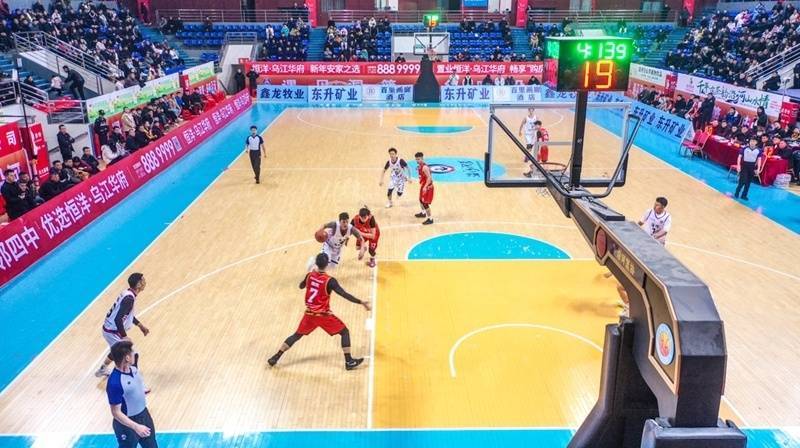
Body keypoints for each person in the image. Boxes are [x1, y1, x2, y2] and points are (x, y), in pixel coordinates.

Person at [267, 252, 371, 370]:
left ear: (316, 263)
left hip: (309, 314)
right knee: (344, 332)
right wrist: (361, 302)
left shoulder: (309, 275)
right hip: (323, 315)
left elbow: (301, 286)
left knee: (296, 335)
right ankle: (349, 361)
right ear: (327, 264)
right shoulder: (330, 281)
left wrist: (310, 274)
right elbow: (344, 294)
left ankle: (276, 357)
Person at [95, 273, 151, 377]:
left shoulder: (128, 293)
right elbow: (118, 319)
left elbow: (128, 315)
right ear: (138, 284)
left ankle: (102, 369)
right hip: (112, 331)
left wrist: (140, 326)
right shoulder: (129, 299)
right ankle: (132, 378)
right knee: (132, 354)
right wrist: (124, 336)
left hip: (110, 329)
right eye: (142, 280)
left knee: (117, 350)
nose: (145, 282)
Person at [106, 340, 158, 448]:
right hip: (126, 424)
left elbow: (134, 387)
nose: (134, 354)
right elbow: (116, 412)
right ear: (127, 358)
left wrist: (140, 392)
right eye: (132, 352)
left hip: (144, 415)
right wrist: (136, 427)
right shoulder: (115, 382)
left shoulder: (133, 369)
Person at [414, 152, 434, 225]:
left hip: (428, 187)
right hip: (424, 185)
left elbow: (429, 178)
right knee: (420, 200)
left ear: (422, 158)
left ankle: (430, 219)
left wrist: (425, 187)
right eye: (416, 159)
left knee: (425, 203)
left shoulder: (424, 167)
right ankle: (423, 213)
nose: (417, 161)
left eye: (419, 159)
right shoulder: (420, 166)